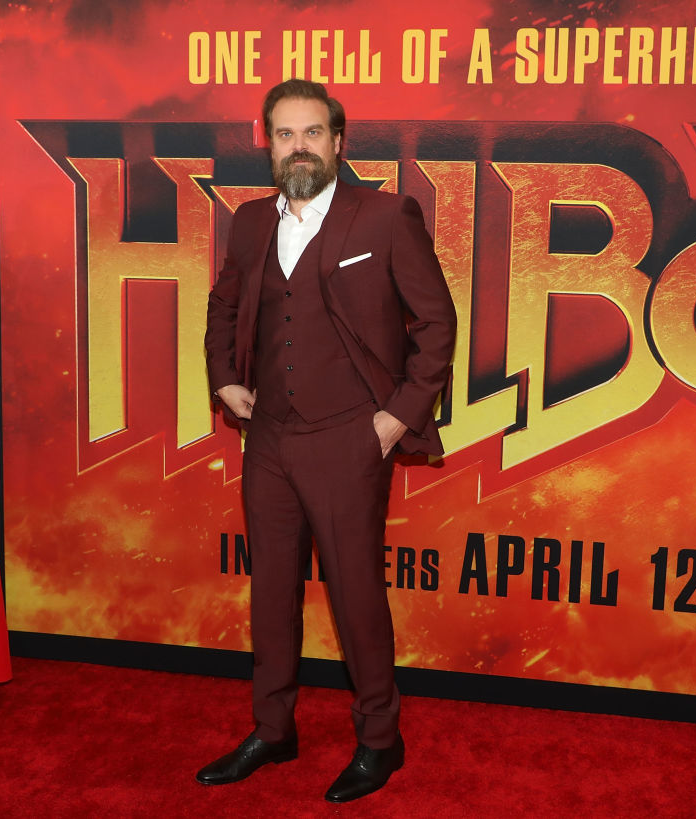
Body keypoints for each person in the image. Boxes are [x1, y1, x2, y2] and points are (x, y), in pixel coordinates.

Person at [197, 79, 456, 802]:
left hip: (350, 436)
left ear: (338, 142)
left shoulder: (385, 216)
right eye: (285, 135)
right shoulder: (251, 221)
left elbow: (437, 323)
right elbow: (222, 305)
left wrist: (397, 416)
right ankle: (273, 729)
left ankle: (380, 739)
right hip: (268, 437)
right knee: (271, 591)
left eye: (313, 133)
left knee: (355, 594)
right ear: (269, 145)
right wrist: (224, 379)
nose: (299, 147)